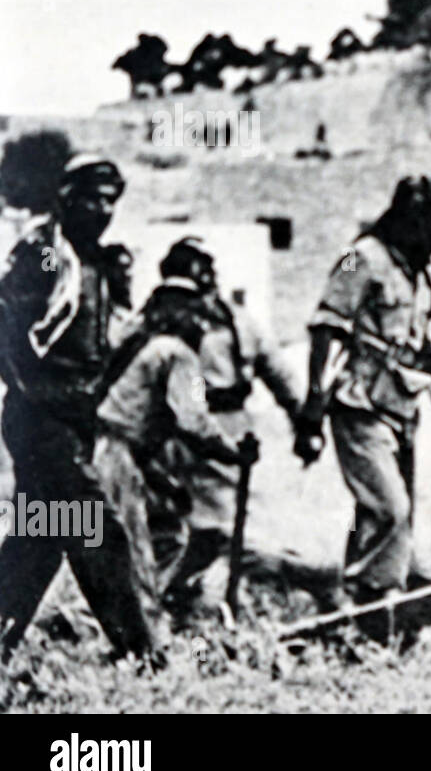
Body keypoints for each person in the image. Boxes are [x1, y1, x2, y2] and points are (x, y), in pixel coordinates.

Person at [0, 154, 163, 662]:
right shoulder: (47, 255)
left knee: (42, 535)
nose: (103, 209)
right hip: (41, 418)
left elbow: (107, 348)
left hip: (73, 418)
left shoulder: (100, 263)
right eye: (92, 198)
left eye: (111, 200)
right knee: (95, 525)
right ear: (67, 199)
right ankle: (139, 652)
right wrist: (33, 394)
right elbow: (5, 326)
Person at [295, 175, 431, 603]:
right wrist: (313, 408)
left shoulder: (418, 275)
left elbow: (422, 343)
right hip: (359, 405)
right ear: (411, 221)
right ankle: (378, 595)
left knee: (384, 513)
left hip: (400, 409)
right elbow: (328, 327)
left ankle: (361, 603)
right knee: (390, 508)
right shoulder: (358, 258)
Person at [143, 237, 299, 609]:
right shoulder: (157, 321)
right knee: (172, 524)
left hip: (228, 426)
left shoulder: (238, 322)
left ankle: (245, 588)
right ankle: (175, 594)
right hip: (173, 433)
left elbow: (277, 370)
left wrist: (302, 418)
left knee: (234, 523)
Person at [94, 282, 259, 625]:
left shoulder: (146, 345)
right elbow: (194, 421)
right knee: (132, 547)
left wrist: (164, 483)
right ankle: (140, 630)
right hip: (118, 452)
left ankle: (155, 610)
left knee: (167, 535)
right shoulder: (179, 355)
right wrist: (233, 453)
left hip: (123, 452)